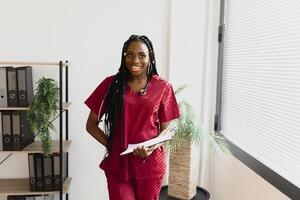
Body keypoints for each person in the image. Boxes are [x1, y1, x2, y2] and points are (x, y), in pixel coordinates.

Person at [85, 35, 180, 200]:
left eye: (142, 55)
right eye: (129, 54)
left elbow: (167, 129)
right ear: (124, 57)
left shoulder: (163, 87)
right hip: (118, 164)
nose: (135, 60)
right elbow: (91, 125)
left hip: (149, 165)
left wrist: (151, 148)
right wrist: (113, 146)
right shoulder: (111, 85)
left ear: (150, 58)